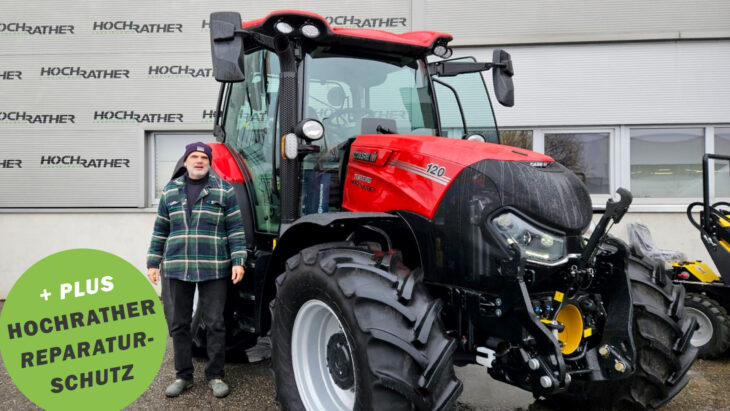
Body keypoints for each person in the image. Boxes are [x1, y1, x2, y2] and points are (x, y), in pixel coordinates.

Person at [146, 142, 246, 398]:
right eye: (194, 156)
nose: (199, 161)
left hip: (214, 266)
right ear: (186, 161)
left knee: (215, 323)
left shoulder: (223, 190)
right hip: (178, 266)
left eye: (203, 157)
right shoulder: (170, 191)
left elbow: (235, 228)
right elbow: (161, 229)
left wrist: (238, 260)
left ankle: (215, 375)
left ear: (209, 163)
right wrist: (153, 263)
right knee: (179, 324)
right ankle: (183, 376)